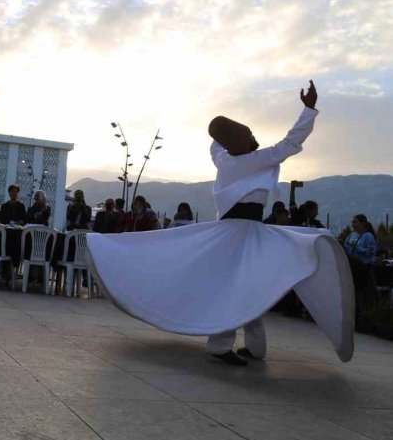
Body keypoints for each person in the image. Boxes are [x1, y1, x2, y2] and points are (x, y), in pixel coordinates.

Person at [87, 80, 354, 367]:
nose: (254, 137)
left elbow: (215, 145)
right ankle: (223, 345)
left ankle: (251, 347)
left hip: (231, 230)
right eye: (250, 134)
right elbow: (290, 142)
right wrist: (309, 109)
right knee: (242, 287)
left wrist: (222, 130)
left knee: (243, 286)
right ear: (246, 142)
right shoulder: (254, 159)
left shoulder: (224, 160)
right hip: (244, 232)